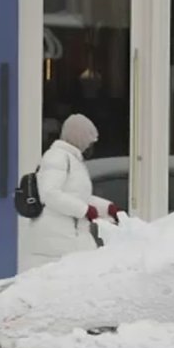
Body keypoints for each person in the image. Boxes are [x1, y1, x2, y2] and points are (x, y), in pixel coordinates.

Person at [22, 114, 117, 270]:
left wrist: (107, 208)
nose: (89, 146)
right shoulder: (57, 157)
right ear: (79, 138)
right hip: (53, 244)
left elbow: (76, 196)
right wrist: (84, 210)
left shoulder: (72, 160)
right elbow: (49, 193)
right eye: (88, 141)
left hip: (68, 238)